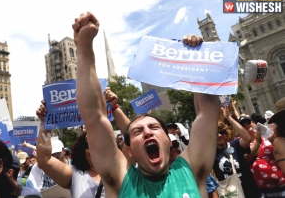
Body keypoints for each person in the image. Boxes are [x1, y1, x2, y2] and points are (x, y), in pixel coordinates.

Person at [73, 12, 220, 197]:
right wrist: (84, 46)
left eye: (154, 127)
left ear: (168, 141)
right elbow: (94, 117)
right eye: (137, 131)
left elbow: (207, 113)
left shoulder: (191, 169)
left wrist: (199, 59)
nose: (148, 132)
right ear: (129, 151)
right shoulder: (121, 179)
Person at [35, 102, 105, 198]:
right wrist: (45, 123)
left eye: (102, 142)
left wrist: (115, 109)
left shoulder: (119, 170)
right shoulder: (75, 175)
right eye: (91, 143)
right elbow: (44, 160)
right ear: (83, 150)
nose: (97, 147)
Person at [213, 105, 262, 198]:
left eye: (222, 132)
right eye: (216, 133)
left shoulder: (234, 144)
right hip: (231, 194)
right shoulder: (211, 154)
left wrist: (229, 117)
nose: (219, 135)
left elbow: (247, 138)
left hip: (250, 192)